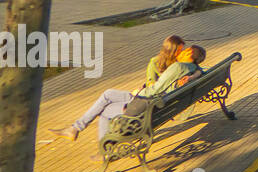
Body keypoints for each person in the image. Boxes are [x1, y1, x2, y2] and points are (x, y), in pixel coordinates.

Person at [53, 45, 207, 142]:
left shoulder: (179, 67)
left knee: (105, 110)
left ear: (189, 55)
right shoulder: (192, 69)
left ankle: (102, 147)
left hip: (146, 102)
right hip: (158, 102)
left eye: (186, 50)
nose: (182, 51)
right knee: (107, 94)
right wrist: (195, 75)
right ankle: (75, 128)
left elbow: (156, 89)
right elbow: (202, 70)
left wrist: (138, 92)